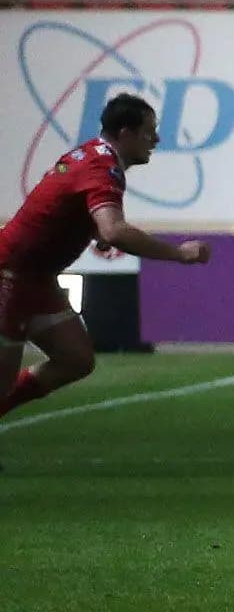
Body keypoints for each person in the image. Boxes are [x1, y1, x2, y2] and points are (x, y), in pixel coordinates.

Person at [1, 93, 211, 453]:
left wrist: (93, 234)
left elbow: (85, 218)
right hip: (9, 274)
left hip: (37, 278)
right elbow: (113, 229)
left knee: (76, 358)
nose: (156, 141)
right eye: (150, 132)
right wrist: (178, 254)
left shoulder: (94, 157)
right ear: (126, 132)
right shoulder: (102, 167)